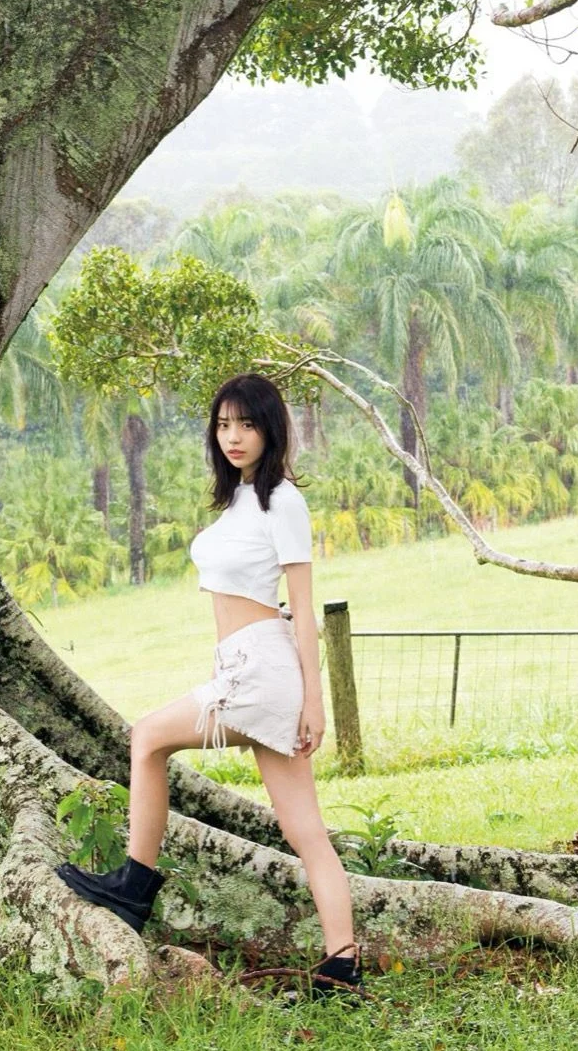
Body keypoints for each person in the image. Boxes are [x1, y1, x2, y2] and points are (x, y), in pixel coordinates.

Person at [56, 371, 363, 998]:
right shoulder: (241, 499)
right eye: (223, 425)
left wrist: (315, 700)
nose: (233, 436)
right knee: (304, 830)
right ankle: (343, 964)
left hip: (262, 671)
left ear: (270, 428)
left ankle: (134, 887)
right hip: (243, 666)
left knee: (147, 738)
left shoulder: (282, 501)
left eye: (246, 424)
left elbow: (304, 607)